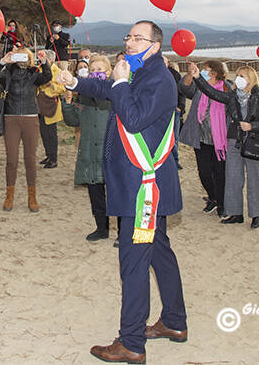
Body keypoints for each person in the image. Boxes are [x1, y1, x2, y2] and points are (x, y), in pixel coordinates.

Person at [58, 21, 186, 363]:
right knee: (159, 251)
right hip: (139, 183)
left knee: (132, 262)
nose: (130, 41)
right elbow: (109, 91)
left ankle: (131, 341)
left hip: (142, 189)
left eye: (138, 37)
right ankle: (174, 321)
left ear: (155, 45)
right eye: (128, 36)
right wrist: (75, 82)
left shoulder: (158, 80)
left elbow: (131, 117)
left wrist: (117, 79)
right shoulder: (139, 71)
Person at [193, 64, 259, 228]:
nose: (239, 79)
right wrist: (198, 78)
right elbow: (213, 93)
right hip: (234, 140)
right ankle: (236, 213)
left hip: (253, 142)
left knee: (255, 179)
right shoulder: (232, 97)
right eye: (238, 75)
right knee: (233, 178)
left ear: (251, 79)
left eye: (243, 76)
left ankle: (256, 214)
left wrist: (253, 127)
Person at [0, 47, 52, 212]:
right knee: (12, 159)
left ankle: (32, 196)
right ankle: (9, 195)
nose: (22, 59)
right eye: (19, 56)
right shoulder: (8, 73)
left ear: (29, 58)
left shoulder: (34, 73)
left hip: (31, 118)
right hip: (11, 118)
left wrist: (44, 62)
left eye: (25, 56)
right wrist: (3, 61)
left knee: (30, 159)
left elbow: (47, 77)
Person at [62, 55, 113, 241]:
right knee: (95, 192)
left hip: (110, 149)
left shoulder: (113, 90)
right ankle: (102, 228)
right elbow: (74, 120)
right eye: (92, 70)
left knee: (116, 193)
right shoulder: (83, 94)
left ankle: (122, 233)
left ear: (108, 71)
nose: (96, 73)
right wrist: (67, 103)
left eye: (100, 69)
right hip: (90, 149)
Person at [178, 60, 229, 217]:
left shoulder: (226, 87)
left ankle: (221, 203)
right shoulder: (199, 88)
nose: (204, 72)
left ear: (214, 72)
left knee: (220, 173)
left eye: (206, 70)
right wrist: (189, 74)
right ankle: (212, 197)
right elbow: (184, 87)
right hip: (200, 138)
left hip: (220, 139)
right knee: (204, 172)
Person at [37, 48, 66, 169]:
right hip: (40, 103)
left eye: (43, 58)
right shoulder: (40, 69)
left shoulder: (58, 71)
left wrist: (51, 85)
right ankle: (48, 155)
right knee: (44, 132)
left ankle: (53, 159)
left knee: (51, 134)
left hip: (51, 105)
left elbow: (63, 89)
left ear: (50, 59)